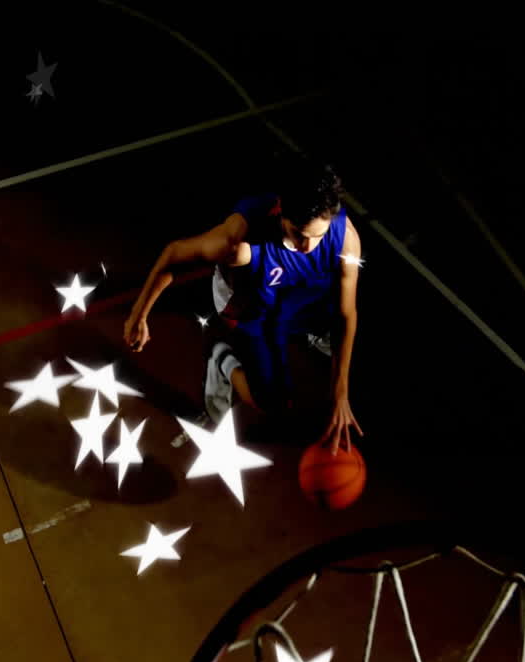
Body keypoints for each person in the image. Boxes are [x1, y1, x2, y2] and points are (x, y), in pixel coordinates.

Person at [123, 157, 363, 452]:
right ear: (281, 212)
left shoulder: (345, 238)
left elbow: (346, 314)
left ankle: (308, 328)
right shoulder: (239, 243)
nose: (307, 247)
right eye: (299, 235)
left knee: (335, 299)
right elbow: (175, 255)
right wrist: (139, 314)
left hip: (296, 294)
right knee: (272, 403)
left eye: (319, 236)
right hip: (250, 305)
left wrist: (340, 393)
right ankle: (222, 360)